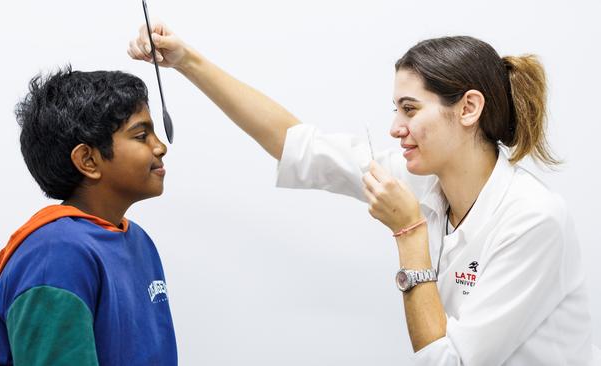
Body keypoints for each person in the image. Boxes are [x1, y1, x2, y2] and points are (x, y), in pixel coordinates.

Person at [128, 23, 599, 365]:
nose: (396, 129)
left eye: (410, 109)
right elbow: (300, 146)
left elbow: (448, 364)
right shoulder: (420, 177)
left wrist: (409, 231)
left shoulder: (533, 220)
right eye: (395, 109)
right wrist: (188, 61)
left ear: (469, 108)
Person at [0, 67, 177, 365]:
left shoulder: (137, 241)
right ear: (88, 160)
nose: (160, 147)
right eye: (141, 135)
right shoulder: (55, 256)